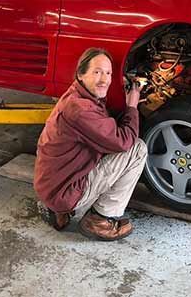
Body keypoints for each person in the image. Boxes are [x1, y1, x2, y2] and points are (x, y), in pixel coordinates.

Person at [34, 47, 146, 241]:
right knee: (137, 149)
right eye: (97, 72)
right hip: (63, 190)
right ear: (81, 74)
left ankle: (60, 211)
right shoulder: (81, 110)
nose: (104, 80)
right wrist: (132, 107)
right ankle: (99, 220)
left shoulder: (76, 95)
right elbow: (122, 142)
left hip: (51, 185)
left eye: (108, 73)